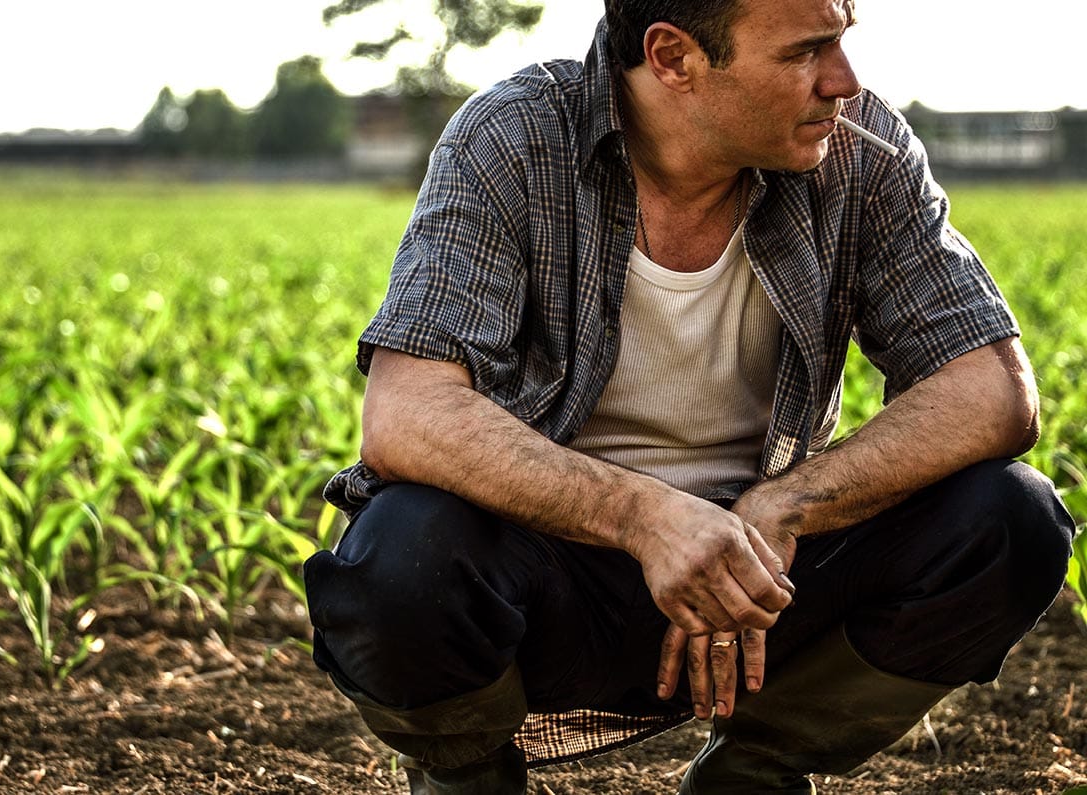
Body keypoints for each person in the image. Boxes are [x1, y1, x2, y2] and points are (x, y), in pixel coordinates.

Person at [303, 0, 1076, 792]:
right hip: (558, 583)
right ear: (674, 58)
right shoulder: (514, 139)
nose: (843, 81)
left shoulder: (858, 150)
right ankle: (467, 775)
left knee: (1011, 520)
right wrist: (646, 518)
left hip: (766, 584)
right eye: (806, 52)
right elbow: (407, 414)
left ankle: (755, 770)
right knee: (401, 557)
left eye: (842, 40)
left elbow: (992, 388)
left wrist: (783, 507)